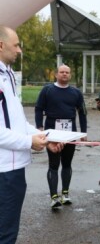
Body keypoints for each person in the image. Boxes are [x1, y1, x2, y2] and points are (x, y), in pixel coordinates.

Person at [0, 25, 61, 243]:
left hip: (13, 170)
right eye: (15, 45)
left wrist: (44, 138)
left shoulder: (8, 75)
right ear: (1, 45)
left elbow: (19, 123)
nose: (19, 50)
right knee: (5, 234)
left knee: (8, 230)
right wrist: (29, 142)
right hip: (4, 172)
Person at [35, 64, 87, 209]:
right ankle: (54, 197)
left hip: (70, 132)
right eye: (62, 72)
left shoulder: (76, 92)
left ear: (70, 75)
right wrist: (39, 127)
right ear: (56, 74)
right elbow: (39, 108)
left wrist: (83, 132)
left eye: (67, 72)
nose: (64, 74)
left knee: (67, 163)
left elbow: (82, 112)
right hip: (52, 132)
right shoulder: (48, 90)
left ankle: (65, 194)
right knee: (53, 164)